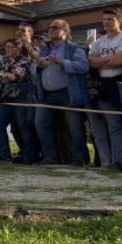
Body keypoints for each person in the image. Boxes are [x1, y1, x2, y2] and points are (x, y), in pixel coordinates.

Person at [35, 19, 90, 165]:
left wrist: (62, 62)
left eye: (55, 27)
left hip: (67, 93)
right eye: (49, 28)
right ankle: (51, 157)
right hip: (46, 95)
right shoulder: (45, 49)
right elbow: (34, 70)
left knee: (75, 128)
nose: (50, 30)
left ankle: (77, 159)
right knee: (41, 123)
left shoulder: (73, 48)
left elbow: (84, 66)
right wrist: (38, 66)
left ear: (64, 31)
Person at [86, 8, 122, 171]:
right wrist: (107, 59)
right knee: (113, 126)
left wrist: (101, 59)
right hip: (104, 85)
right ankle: (119, 161)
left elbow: (118, 62)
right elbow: (92, 62)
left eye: (110, 19)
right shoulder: (99, 42)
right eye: (104, 19)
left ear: (119, 21)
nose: (106, 22)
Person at [0, 39, 38, 163]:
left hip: (21, 97)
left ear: (17, 48)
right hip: (6, 97)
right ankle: (4, 154)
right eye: (6, 47)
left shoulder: (24, 61)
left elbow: (15, 76)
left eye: (10, 47)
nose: (7, 49)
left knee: (24, 127)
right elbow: (0, 77)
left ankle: (29, 156)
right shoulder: (5, 61)